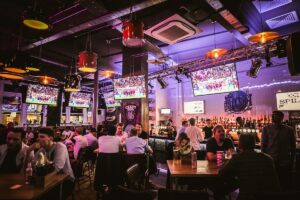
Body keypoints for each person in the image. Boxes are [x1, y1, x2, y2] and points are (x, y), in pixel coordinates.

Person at [219, 134, 280, 200]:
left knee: (219, 190)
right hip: (267, 196)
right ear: (254, 144)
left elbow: (221, 173)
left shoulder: (238, 158)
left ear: (240, 145)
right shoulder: (268, 159)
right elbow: (275, 184)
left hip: (246, 196)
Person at [29, 128, 74, 199]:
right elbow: (33, 165)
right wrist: (29, 151)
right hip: (48, 180)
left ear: (51, 138)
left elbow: (57, 168)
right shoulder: (42, 150)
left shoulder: (60, 147)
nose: (38, 139)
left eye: (42, 137)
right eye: (38, 137)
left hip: (65, 181)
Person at [261, 111, 296, 190]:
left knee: (284, 183)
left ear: (281, 118)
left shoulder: (289, 130)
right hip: (271, 160)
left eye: (275, 116)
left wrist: (292, 161)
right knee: (272, 183)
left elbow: (293, 147)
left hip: (284, 160)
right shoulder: (266, 129)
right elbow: (263, 145)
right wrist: (263, 161)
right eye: (272, 116)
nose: (273, 118)